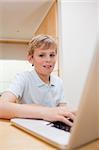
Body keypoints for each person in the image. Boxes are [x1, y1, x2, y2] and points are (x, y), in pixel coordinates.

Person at [0, 34, 75, 127]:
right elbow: (1, 107)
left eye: (52, 55)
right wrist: (45, 112)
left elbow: (62, 110)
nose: (48, 60)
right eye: (41, 55)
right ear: (31, 59)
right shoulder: (23, 78)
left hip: (51, 127)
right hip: (29, 128)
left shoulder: (58, 82)